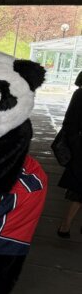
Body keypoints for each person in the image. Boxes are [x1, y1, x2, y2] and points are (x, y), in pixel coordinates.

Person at [57, 70, 82, 237]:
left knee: (79, 191)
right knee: (79, 191)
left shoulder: (79, 94)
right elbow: (70, 123)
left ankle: (65, 226)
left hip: (78, 146)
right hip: (81, 148)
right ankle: (65, 225)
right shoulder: (80, 94)